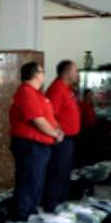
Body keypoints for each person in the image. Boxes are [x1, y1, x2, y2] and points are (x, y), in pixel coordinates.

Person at [9, 62, 64, 221]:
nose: (43, 74)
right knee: (29, 180)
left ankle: (30, 212)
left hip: (40, 145)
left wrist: (56, 129)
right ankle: (22, 217)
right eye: (42, 71)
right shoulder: (27, 93)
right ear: (36, 74)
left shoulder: (36, 93)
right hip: (30, 145)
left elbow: (47, 117)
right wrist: (55, 133)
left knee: (36, 180)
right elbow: (37, 120)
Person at [41, 60, 81, 212]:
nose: (77, 74)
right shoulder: (57, 89)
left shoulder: (67, 89)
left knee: (64, 171)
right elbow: (51, 115)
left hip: (68, 138)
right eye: (75, 71)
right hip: (60, 139)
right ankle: (51, 203)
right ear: (67, 72)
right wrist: (58, 132)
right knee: (57, 171)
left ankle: (61, 201)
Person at [78, 88, 98, 167]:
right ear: (84, 96)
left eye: (91, 95)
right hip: (84, 129)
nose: (90, 96)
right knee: (84, 147)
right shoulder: (82, 105)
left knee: (90, 147)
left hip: (91, 129)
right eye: (88, 95)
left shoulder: (91, 105)